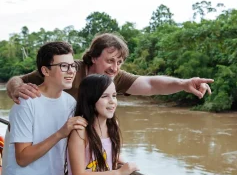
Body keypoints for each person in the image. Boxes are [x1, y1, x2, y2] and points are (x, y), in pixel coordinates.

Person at [6, 33, 214, 103]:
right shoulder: (68, 70)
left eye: (120, 62)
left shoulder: (114, 78)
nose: (115, 68)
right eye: (110, 61)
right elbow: (17, 80)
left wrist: (184, 84)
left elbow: (151, 84)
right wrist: (16, 89)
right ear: (94, 57)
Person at [2, 42, 87, 175]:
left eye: (73, 65)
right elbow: (22, 158)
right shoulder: (26, 102)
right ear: (45, 71)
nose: (71, 71)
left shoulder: (70, 102)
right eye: (64, 66)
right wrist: (60, 133)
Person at [66, 74, 139, 175]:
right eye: (104, 96)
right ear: (90, 99)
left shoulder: (113, 126)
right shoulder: (80, 131)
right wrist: (119, 173)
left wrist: (122, 166)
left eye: (114, 95)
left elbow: (109, 152)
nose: (112, 101)